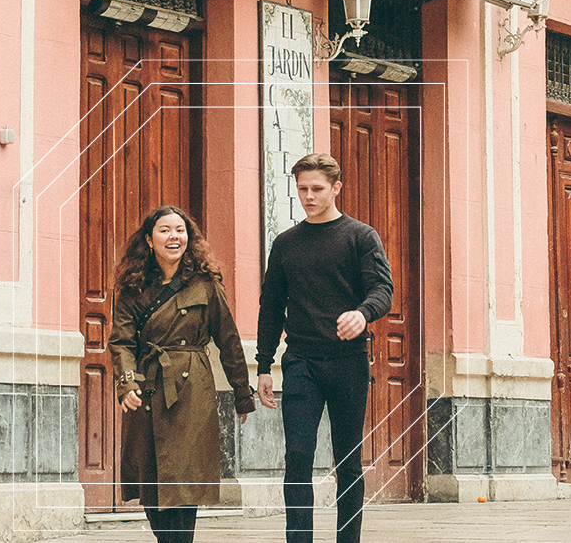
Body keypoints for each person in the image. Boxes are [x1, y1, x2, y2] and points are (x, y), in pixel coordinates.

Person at [256, 152, 393, 543]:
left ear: (336, 188)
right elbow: (270, 307)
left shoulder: (360, 236)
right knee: (297, 457)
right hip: (300, 361)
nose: (309, 196)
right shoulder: (285, 244)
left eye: (317, 189)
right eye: (302, 189)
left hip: (348, 362)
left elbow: (383, 289)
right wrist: (263, 365)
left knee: (348, 460)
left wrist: (363, 314)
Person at [109, 206, 256, 543]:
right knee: (152, 474)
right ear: (149, 239)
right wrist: (127, 382)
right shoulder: (132, 286)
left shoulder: (205, 284)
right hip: (148, 384)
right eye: (165, 230)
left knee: (184, 478)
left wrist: (242, 394)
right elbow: (121, 341)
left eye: (180, 230)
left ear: (189, 238)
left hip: (192, 390)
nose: (173, 237)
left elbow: (228, 339)